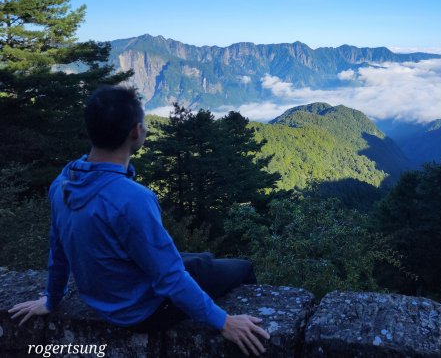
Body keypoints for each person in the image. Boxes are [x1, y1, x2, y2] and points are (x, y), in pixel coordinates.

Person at [9, 86, 269, 356]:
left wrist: (52, 300)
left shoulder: (63, 183)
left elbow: (58, 248)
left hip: (104, 298)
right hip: (142, 311)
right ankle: (254, 341)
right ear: (136, 132)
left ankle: (204, 264)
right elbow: (170, 279)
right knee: (242, 267)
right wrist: (224, 321)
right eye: (143, 124)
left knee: (201, 260)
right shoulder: (132, 198)